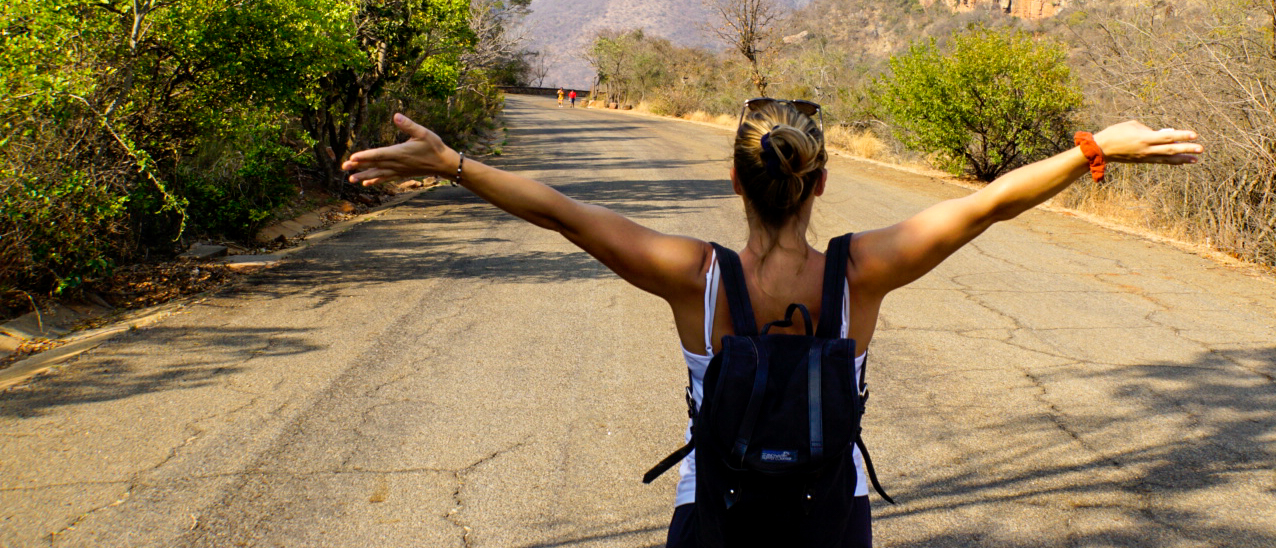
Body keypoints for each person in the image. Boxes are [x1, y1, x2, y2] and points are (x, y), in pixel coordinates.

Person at [342, 101, 1200, 546]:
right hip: (830, 518)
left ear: (734, 180)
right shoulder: (861, 272)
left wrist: (452, 163)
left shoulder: (695, 275)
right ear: (819, 185)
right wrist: (1098, 150)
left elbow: (564, 214)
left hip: (713, 515)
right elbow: (985, 207)